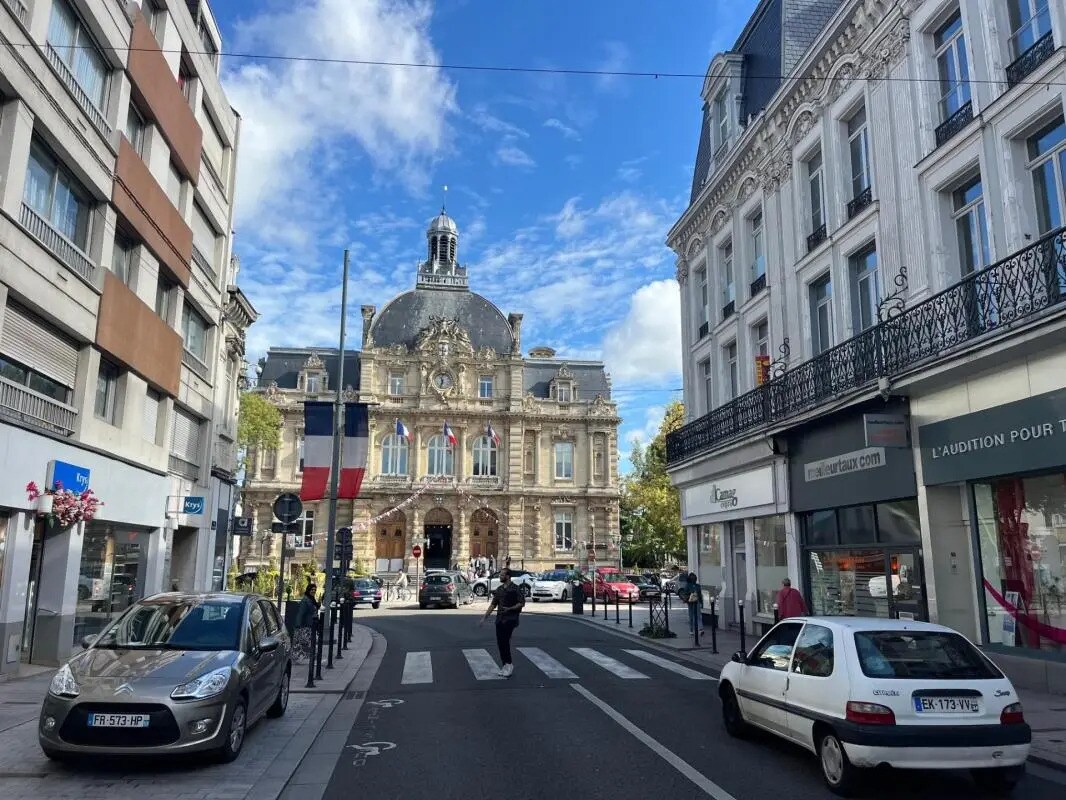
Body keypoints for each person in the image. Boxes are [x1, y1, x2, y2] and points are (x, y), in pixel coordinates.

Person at [479, 567, 525, 677]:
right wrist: (485, 617)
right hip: (499, 620)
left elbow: (521, 603)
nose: (500, 577)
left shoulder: (515, 588)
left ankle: (509, 664)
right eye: (500, 575)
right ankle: (505, 665)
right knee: (500, 643)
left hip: (510, 619)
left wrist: (510, 608)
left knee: (505, 641)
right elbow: (493, 604)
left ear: (508, 576)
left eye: (502, 575)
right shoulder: (499, 589)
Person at [293, 583, 320, 662]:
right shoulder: (305, 600)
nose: (313, 591)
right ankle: (309, 657)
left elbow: (314, 608)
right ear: (308, 590)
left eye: (315, 590)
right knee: (306, 641)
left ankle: (309, 657)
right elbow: (301, 613)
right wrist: (298, 625)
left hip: (311, 624)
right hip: (305, 625)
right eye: (312, 589)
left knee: (309, 641)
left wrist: (318, 604)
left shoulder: (311, 599)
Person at [685, 572, 704, 636]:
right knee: (694, 616)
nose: (693, 579)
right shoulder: (691, 585)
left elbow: (699, 595)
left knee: (694, 616)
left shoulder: (695, 585)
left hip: (694, 602)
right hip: (692, 602)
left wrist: (701, 602)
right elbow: (699, 595)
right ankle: (695, 629)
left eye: (694, 577)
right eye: (692, 578)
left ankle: (697, 629)